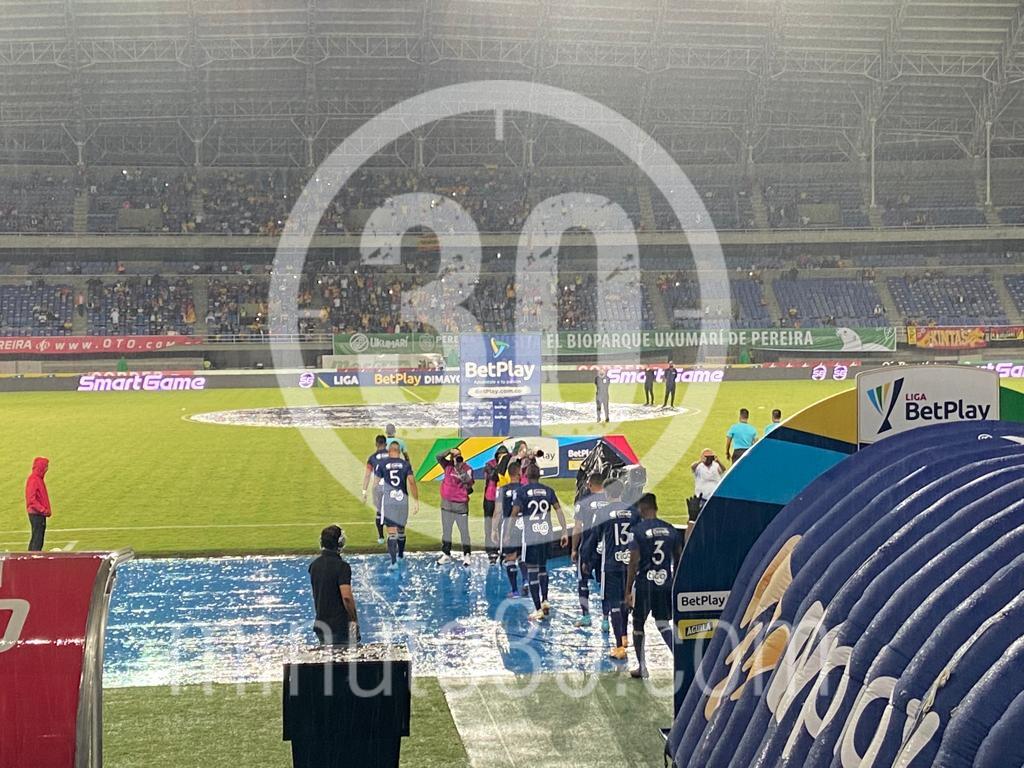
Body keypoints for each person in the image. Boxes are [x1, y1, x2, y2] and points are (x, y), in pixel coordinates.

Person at [626, 493, 683, 679]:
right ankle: (680, 661)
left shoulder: (637, 531)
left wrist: (628, 590)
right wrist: (674, 582)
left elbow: (633, 562)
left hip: (644, 585)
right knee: (663, 623)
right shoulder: (671, 530)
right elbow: (679, 558)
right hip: (664, 584)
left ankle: (642, 667)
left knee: (638, 624)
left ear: (642, 508)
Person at [512, 463, 569, 621]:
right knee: (543, 568)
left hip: (530, 537)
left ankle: (538, 609)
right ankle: (545, 600)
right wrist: (564, 531)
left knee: (531, 570)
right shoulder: (548, 491)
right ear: (540, 475)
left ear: (526, 476)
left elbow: (514, 513)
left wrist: (509, 532)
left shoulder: (521, 492)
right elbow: (559, 510)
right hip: (546, 535)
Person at [591, 480, 635, 660]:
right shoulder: (633, 511)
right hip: (629, 564)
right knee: (626, 599)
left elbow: (594, 537)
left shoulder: (602, 512)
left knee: (614, 603)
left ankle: (618, 647)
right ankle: (624, 636)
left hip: (611, 564)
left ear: (606, 493)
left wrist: (587, 559)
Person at [308, 525, 359, 646]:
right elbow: (346, 597)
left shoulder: (314, 566)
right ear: (340, 543)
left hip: (321, 624)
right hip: (339, 627)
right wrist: (354, 620)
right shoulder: (342, 567)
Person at [571, 473, 609, 628]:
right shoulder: (610, 501)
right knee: (604, 584)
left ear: (590, 484)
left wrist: (574, 549)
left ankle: (586, 617)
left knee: (583, 582)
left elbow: (577, 528)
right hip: (606, 550)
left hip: (587, 548)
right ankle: (605, 620)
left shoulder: (583, 502)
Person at [376, 441, 419, 570]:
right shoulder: (405, 464)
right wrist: (416, 501)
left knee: (391, 532)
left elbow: (376, 484)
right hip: (402, 501)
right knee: (401, 530)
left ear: (389, 451)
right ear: (399, 452)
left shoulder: (382, 464)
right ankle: (400, 555)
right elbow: (412, 482)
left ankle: (393, 562)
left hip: (389, 502)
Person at [492, 460, 528, 598]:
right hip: (523, 526)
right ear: (519, 474)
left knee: (510, 558)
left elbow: (497, 512)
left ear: (508, 474)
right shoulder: (526, 489)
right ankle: (525, 580)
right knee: (522, 556)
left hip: (509, 526)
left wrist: (494, 530)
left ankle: (514, 591)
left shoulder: (501, 490)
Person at [437, 447, 474, 565]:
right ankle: (446, 554)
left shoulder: (467, 469)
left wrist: (459, 469)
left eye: (458, 456)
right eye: (454, 456)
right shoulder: (447, 466)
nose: (456, 458)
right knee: (446, 531)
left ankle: (467, 555)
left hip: (460, 506)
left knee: (464, 532)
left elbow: (469, 482)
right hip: (446, 504)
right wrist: (449, 451)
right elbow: (438, 457)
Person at [482, 445, 510, 565]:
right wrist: (501, 464)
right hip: (491, 498)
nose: (502, 458)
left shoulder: (510, 465)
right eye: (500, 456)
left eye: (504, 456)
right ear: (497, 456)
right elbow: (493, 476)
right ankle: (491, 551)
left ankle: (503, 549)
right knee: (489, 525)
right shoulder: (489, 465)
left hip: (504, 498)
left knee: (503, 525)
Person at [362, 435, 389, 544]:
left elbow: (367, 475)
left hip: (378, 488)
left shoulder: (372, 458)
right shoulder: (393, 455)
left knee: (379, 512)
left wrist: (364, 491)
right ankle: (392, 536)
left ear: (376, 444)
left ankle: (381, 537)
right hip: (392, 487)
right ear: (386, 444)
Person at [25, 456, 51, 551]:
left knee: (37, 538)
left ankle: (31, 556)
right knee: (37, 539)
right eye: (46, 466)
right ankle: (33, 557)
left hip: (37, 513)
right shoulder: (34, 480)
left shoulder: (37, 479)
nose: (47, 469)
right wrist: (43, 510)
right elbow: (31, 500)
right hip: (37, 513)